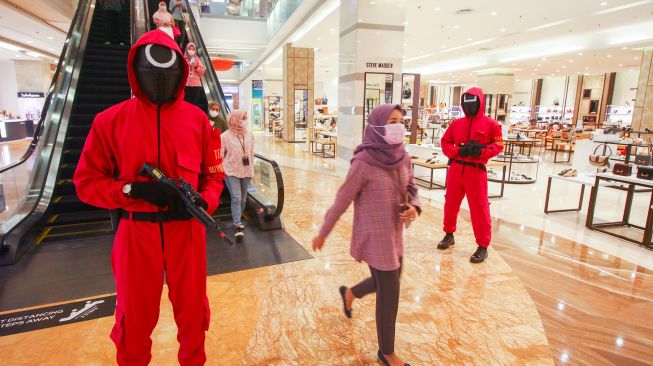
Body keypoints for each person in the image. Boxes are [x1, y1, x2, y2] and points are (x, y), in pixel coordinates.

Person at [73, 30, 224, 365]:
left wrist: (205, 201)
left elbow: (214, 176)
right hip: (135, 234)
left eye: (168, 71)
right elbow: (85, 182)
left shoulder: (199, 122)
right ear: (136, 71)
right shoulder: (109, 122)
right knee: (133, 323)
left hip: (187, 234)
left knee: (193, 318)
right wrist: (129, 189)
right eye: (151, 70)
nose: (160, 77)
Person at [313, 104, 420, 366]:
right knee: (390, 292)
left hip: (395, 235)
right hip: (374, 237)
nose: (398, 126)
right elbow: (342, 198)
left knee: (384, 283)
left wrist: (414, 207)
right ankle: (387, 353)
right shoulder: (364, 162)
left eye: (401, 120)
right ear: (377, 126)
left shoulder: (402, 156)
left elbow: (412, 187)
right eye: (392, 121)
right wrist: (323, 232)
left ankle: (349, 293)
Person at [437, 87, 503, 264]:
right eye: (466, 103)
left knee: (479, 208)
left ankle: (483, 246)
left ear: (479, 103)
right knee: (450, 203)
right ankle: (449, 234)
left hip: (475, 171)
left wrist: (480, 152)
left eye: (472, 103)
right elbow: (445, 143)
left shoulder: (492, 125)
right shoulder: (456, 124)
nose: (469, 106)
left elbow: (498, 146)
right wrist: (458, 151)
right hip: (456, 170)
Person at [221, 110, 255, 240]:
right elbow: (220, 154)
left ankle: (238, 217)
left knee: (243, 198)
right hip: (231, 171)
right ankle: (237, 223)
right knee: (236, 197)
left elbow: (251, 153)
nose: (245, 120)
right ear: (235, 119)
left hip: (246, 171)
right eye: (243, 117)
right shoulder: (224, 136)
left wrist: (252, 168)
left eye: (245, 117)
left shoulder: (250, 135)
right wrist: (222, 167)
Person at [183, 43, 208, 111]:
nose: (191, 50)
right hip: (185, 84)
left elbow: (202, 71)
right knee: (186, 103)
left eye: (193, 49)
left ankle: (193, 116)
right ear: (186, 49)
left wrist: (196, 67)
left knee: (194, 104)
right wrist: (187, 65)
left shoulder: (197, 59)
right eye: (189, 49)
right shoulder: (183, 58)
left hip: (196, 85)